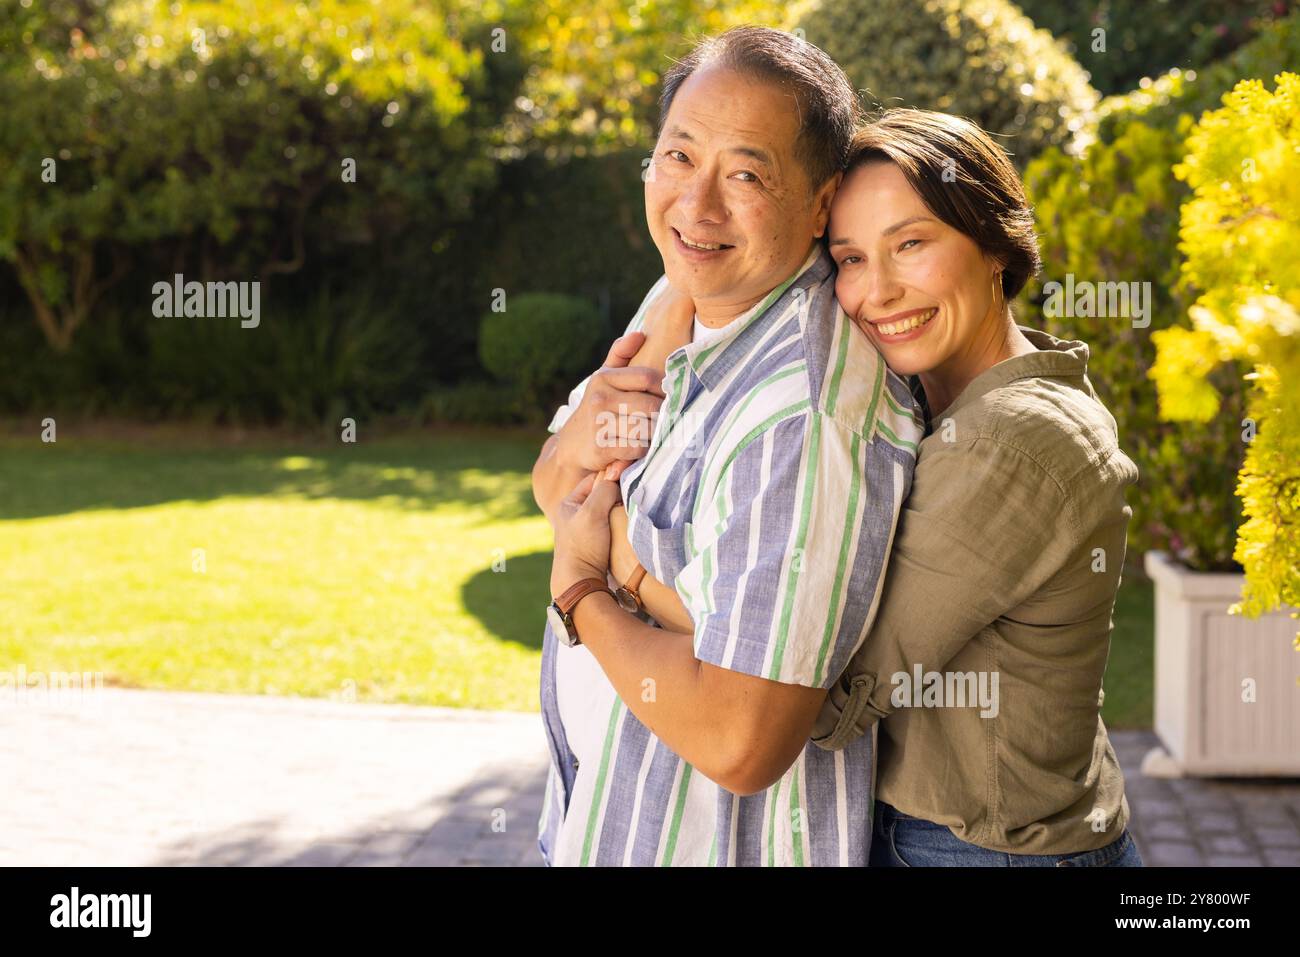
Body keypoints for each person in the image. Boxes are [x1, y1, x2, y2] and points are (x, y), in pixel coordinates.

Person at [594, 108, 1145, 866]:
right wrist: (675, 302)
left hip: (982, 852)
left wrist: (613, 564)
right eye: (850, 259)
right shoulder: (925, 394)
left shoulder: (1012, 440)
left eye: (911, 244)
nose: (877, 290)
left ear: (993, 245)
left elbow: (817, 672)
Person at [530, 26, 923, 866]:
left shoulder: (802, 419)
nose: (696, 206)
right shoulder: (682, 295)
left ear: (821, 202)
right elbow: (554, 485)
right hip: (600, 823)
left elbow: (742, 738)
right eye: (678, 158)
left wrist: (583, 590)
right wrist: (589, 433)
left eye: (746, 173)